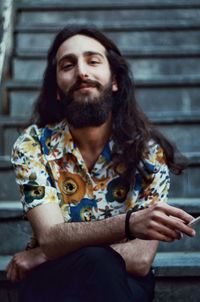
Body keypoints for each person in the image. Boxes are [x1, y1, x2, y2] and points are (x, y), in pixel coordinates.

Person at [6, 26, 195, 302]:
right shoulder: (33, 145)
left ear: (115, 80)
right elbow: (50, 236)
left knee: (100, 265)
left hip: (124, 284)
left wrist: (45, 253)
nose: (82, 71)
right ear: (57, 90)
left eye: (93, 61)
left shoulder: (148, 152)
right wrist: (129, 224)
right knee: (94, 263)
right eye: (68, 65)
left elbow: (141, 259)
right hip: (55, 282)